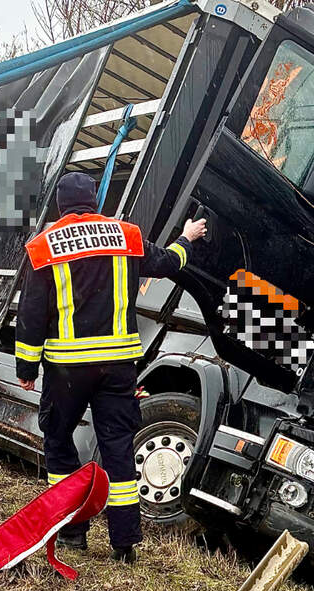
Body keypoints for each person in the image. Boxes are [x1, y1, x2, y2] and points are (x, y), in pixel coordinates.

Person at [15, 171, 207, 563]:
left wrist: (27, 367)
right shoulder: (127, 236)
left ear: (59, 207)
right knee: (118, 447)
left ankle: (72, 531)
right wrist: (188, 237)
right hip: (118, 366)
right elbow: (170, 264)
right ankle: (124, 543)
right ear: (96, 202)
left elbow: (32, 315)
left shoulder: (42, 247)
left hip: (68, 369)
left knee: (57, 441)